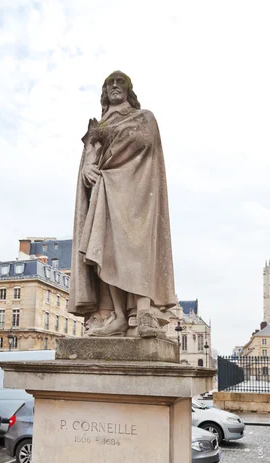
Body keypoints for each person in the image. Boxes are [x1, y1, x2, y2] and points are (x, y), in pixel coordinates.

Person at [68, 71, 176, 337]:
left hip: (137, 189)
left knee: (137, 247)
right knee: (107, 249)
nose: (115, 86)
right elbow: (90, 155)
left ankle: (143, 311)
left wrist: (108, 141)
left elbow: (143, 142)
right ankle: (116, 316)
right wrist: (88, 168)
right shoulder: (98, 125)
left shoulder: (144, 117)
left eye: (120, 82)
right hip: (106, 189)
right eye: (110, 83)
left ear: (129, 90)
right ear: (105, 92)